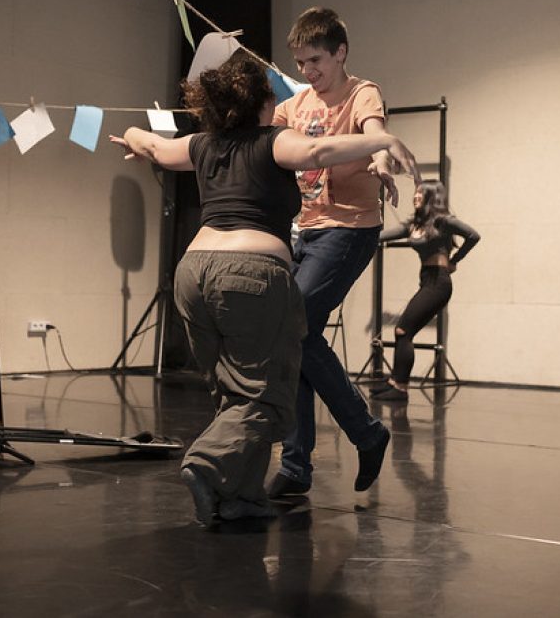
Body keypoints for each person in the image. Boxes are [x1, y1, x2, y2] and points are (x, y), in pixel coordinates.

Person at [110, 56, 419, 526]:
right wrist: (381, 139)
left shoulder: (200, 144)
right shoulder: (275, 142)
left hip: (192, 277)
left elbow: (150, 144)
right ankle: (206, 463)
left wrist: (134, 140)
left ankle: (241, 499)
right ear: (262, 104)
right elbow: (317, 153)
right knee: (266, 401)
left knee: (234, 393)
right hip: (250, 276)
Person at [267, 7, 420, 499]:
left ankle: (359, 433)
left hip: (349, 230)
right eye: (300, 62)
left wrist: (378, 158)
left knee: (293, 324)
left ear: (340, 53)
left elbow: (375, 134)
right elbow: (271, 142)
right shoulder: (296, 103)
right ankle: (301, 466)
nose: (308, 71)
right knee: (293, 335)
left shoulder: (361, 92)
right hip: (302, 231)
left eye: (316, 60)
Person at [372, 180, 480, 401]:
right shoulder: (413, 225)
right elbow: (379, 237)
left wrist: (454, 260)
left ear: (432, 197)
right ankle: (395, 382)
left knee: (403, 331)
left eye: (421, 193)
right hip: (427, 280)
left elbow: (473, 235)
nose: (416, 196)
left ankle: (400, 388)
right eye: (416, 193)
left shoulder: (442, 221)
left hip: (439, 283)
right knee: (402, 332)